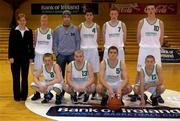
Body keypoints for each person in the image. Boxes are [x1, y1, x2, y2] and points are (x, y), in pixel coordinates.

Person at [131, 4, 165, 103]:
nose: (150, 11)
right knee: (139, 70)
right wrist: (143, 45)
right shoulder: (142, 22)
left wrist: (156, 46)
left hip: (155, 49)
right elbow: (138, 36)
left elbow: (161, 38)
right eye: (148, 9)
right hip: (144, 49)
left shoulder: (160, 23)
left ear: (155, 10)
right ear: (146, 11)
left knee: (158, 71)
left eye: (152, 9)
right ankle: (136, 93)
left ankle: (157, 94)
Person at [8, 13, 34, 101]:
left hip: (25, 58)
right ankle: (16, 96)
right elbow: (10, 44)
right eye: (21, 20)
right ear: (18, 21)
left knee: (24, 77)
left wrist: (31, 57)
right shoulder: (13, 30)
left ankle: (24, 95)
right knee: (16, 77)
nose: (23, 22)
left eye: (24, 20)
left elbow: (31, 45)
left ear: (26, 21)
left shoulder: (29, 31)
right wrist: (10, 56)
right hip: (15, 58)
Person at [79, 9, 100, 100]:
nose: (89, 16)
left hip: (93, 50)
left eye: (90, 15)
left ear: (92, 16)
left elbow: (98, 40)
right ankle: (82, 90)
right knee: (83, 71)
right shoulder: (81, 26)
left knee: (95, 71)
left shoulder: (97, 26)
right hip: (83, 50)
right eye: (87, 15)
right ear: (85, 16)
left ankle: (94, 90)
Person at [31, 15, 53, 101]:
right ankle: (37, 93)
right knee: (37, 74)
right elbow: (34, 43)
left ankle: (48, 93)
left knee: (47, 75)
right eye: (42, 20)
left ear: (47, 21)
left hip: (48, 56)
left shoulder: (51, 31)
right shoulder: (36, 31)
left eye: (45, 20)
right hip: (39, 55)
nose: (44, 22)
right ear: (40, 21)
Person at [53, 10, 80, 78]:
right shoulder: (57, 29)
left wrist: (76, 53)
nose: (66, 18)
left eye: (68, 17)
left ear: (70, 18)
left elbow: (78, 41)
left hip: (72, 55)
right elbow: (54, 42)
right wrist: (56, 54)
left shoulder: (75, 29)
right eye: (65, 17)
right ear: (62, 18)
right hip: (60, 55)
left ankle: (71, 88)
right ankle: (61, 88)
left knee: (72, 75)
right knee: (60, 75)